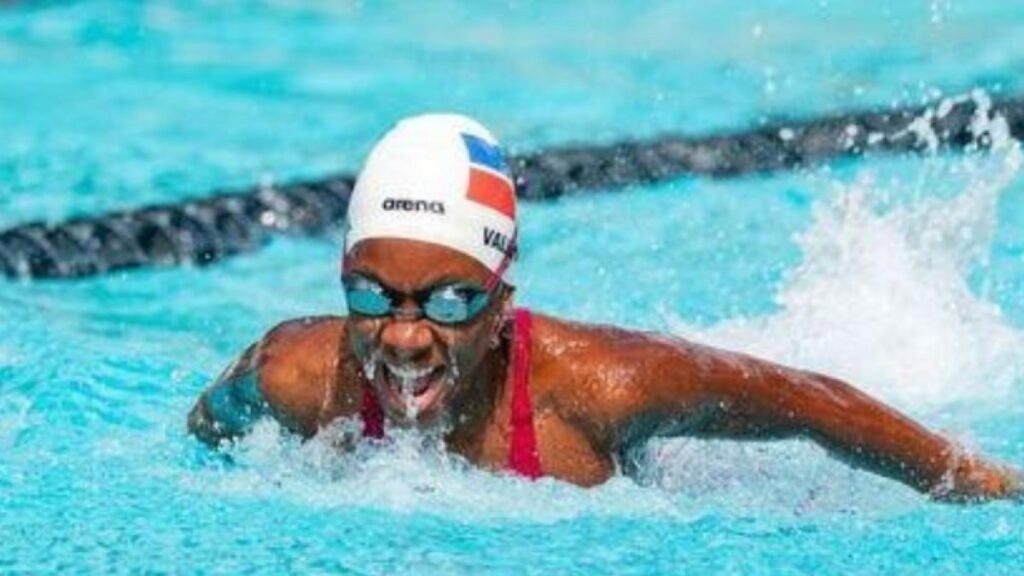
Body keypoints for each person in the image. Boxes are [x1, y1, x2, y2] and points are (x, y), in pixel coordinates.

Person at [188, 113, 1022, 502]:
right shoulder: (297, 373)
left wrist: (976, 481)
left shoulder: (603, 385)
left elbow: (805, 401)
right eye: (372, 296)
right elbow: (207, 426)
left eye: (450, 299)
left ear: (501, 300)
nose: (405, 337)